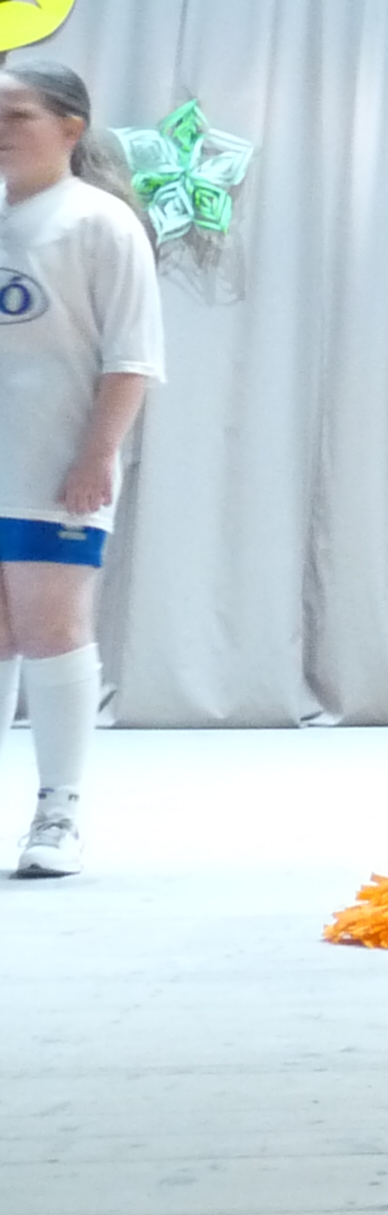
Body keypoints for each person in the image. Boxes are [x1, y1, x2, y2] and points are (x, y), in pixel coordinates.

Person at [0, 59, 161, 879]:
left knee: (50, 629)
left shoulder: (101, 223)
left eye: (17, 115)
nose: (2, 131)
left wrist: (96, 456)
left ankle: (58, 810)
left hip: (54, 470)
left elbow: (132, 359)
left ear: (70, 128)